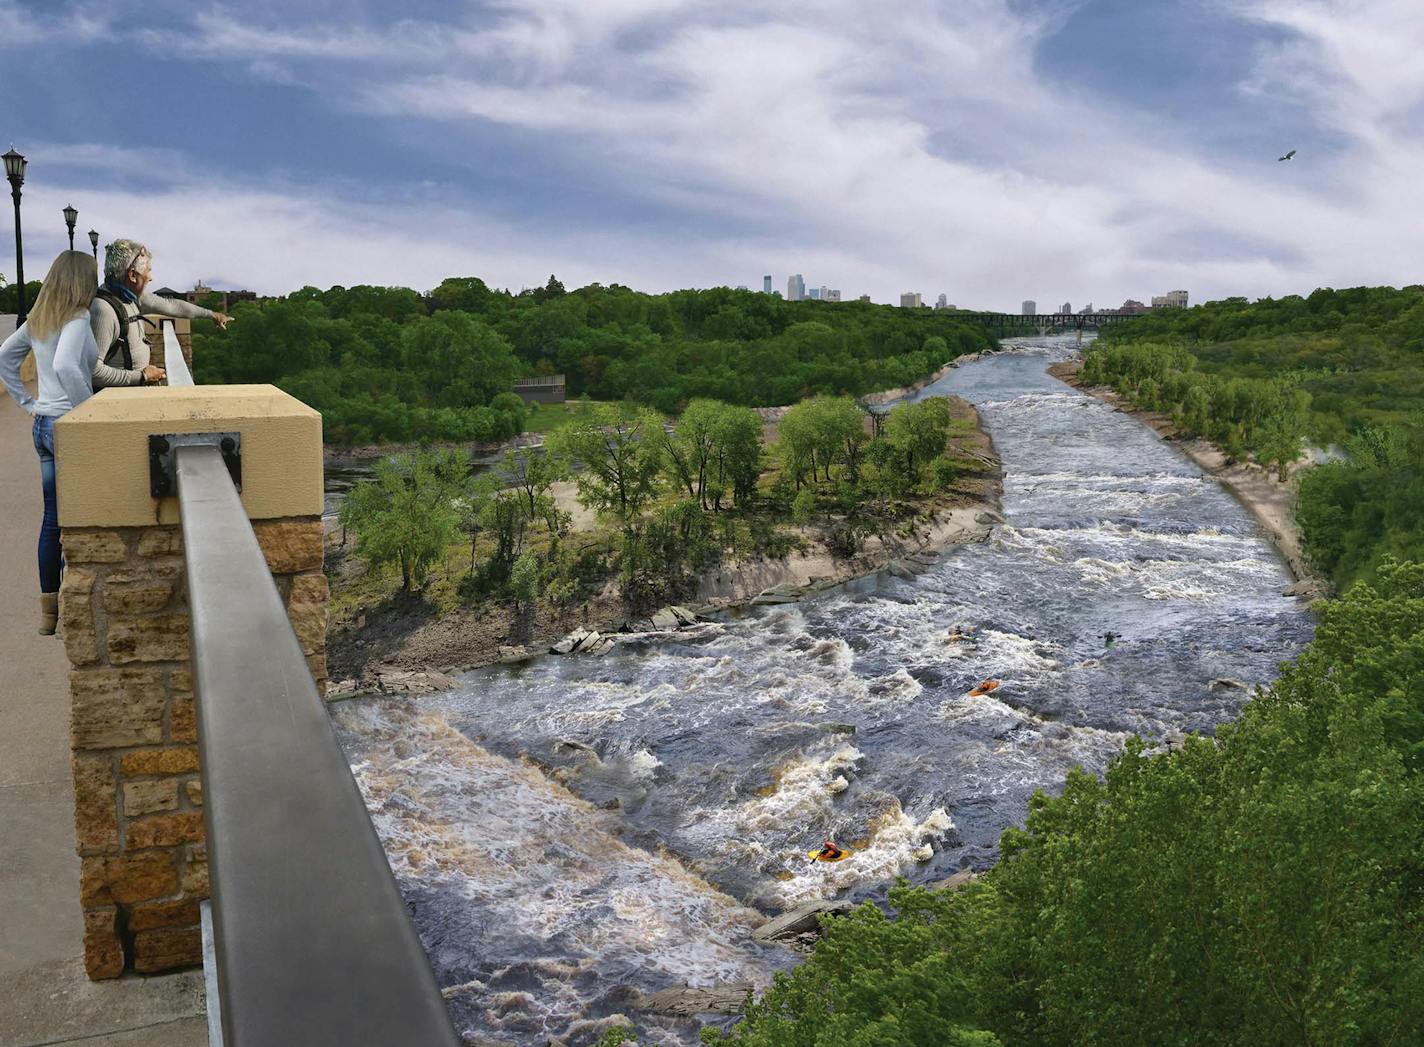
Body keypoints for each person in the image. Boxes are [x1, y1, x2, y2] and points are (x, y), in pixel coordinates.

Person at [0, 251, 103, 633]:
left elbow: (4, 358)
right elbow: (65, 366)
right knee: (75, 516)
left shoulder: (39, 320)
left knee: (52, 519)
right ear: (83, 282)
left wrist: (29, 403)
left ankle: (49, 613)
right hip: (64, 426)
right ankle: (70, 605)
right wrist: (87, 413)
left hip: (42, 425)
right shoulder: (76, 319)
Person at [90, 238, 232, 388]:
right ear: (132, 275)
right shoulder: (103, 310)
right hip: (114, 404)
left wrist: (212, 314)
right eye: (148, 271)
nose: (150, 278)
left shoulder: (133, 298)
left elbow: (174, 306)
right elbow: (92, 373)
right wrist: (142, 376)